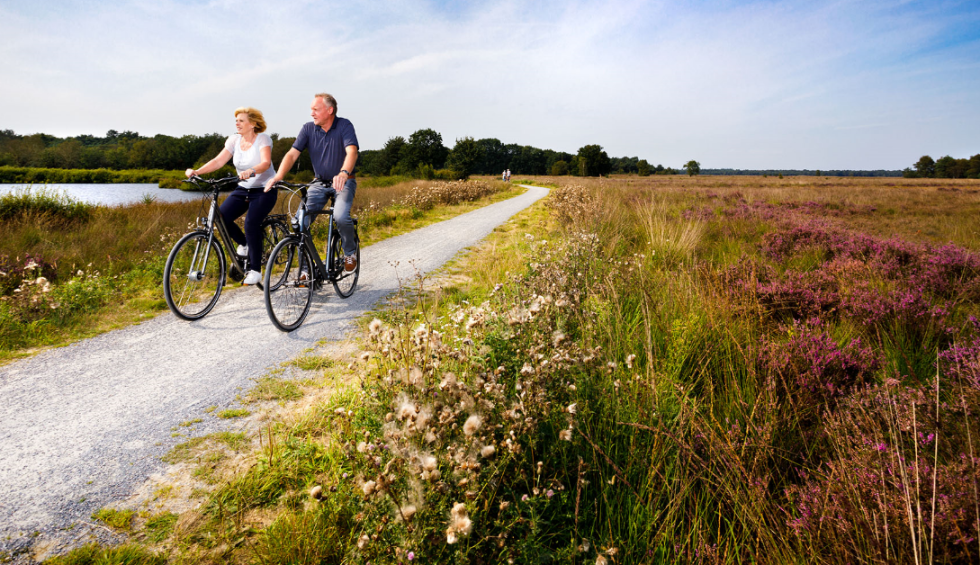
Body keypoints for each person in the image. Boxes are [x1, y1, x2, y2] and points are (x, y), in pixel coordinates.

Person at [267, 93, 358, 274]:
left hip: (343, 181)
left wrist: (343, 172)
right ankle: (307, 269)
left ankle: (350, 252)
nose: (312, 113)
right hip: (319, 183)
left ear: (329, 110)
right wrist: (278, 176)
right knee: (300, 223)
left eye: (316, 109)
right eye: (311, 110)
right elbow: (292, 154)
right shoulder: (308, 129)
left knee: (340, 216)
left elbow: (352, 152)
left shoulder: (344, 125)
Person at [186, 107, 277, 286]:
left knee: (251, 223)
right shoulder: (234, 140)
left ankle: (256, 271)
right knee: (221, 218)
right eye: (236, 120)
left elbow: (265, 162)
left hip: (264, 189)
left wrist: (252, 170)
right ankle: (244, 244)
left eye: (241, 120)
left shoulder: (263, 138)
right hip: (243, 188)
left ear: (253, 124)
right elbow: (219, 161)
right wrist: (197, 171)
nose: (237, 123)